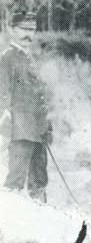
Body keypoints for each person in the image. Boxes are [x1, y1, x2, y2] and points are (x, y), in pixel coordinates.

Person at [1, 11, 52, 201]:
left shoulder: (32, 58)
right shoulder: (7, 58)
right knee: (15, 180)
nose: (28, 34)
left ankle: (41, 215)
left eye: (32, 30)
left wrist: (47, 125)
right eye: (23, 29)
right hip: (20, 130)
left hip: (38, 130)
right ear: (11, 29)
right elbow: (3, 94)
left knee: (40, 180)